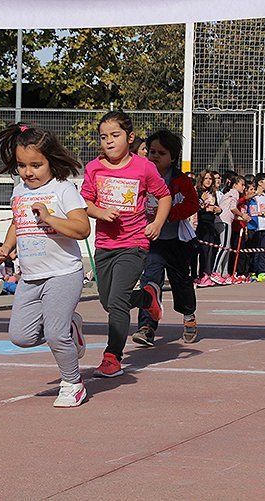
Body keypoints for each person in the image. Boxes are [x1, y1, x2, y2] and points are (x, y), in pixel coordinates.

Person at [0, 123, 91, 407]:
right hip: (31, 276)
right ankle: (72, 328)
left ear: (51, 160)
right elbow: (17, 222)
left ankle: (73, 383)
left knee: (54, 334)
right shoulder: (19, 191)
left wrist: (49, 218)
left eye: (36, 165)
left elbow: (82, 228)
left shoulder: (63, 189)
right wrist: (6, 246)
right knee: (21, 337)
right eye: (22, 165)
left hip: (63, 273)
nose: (28, 172)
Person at [80, 110, 171, 378]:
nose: (108, 141)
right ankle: (147, 297)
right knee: (109, 302)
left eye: (115, 135)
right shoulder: (93, 168)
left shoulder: (144, 167)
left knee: (118, 301)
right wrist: (99, 212)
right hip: (105, 245)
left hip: (134, 244)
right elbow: (84, 202)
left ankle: (112, 356)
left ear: (130, 138)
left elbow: (164, 196)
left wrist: (156, 224)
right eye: (103, 137)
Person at [132, 130, 199, 346]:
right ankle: (146, 327)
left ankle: (188, 315)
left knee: (181, 282)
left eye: (161, 153)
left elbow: (192, 204)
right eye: (151, 151)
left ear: (173, 157)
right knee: (150, 281)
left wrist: (167, 215)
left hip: (176, 242)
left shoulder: (181, 180)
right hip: (152, 241)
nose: (155, 156)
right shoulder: (140, 177)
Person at [212, 172, 246, 284]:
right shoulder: (234, 193)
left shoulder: (230, 193)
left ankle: (225, 273)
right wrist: (242, 215)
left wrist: (242, 218)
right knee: (224, 246)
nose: (244, 187)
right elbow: (232, 208)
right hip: (224, 222)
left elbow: (231, 212)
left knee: (227, 246)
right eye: (242, 184)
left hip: (226, 221)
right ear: (235, 184)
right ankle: (215, 272)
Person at [194, 170, 222, 286]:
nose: (208, 181)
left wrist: (217, 210)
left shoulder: (213, 193)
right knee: (199, 251)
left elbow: (219, 208)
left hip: (210, 223)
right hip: (200, 223)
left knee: (209, 251)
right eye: (206, 179)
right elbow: (194, 207)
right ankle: (197, 276)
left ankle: (206, 274)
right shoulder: (197, 191)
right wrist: (202, 202)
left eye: (210, 179)